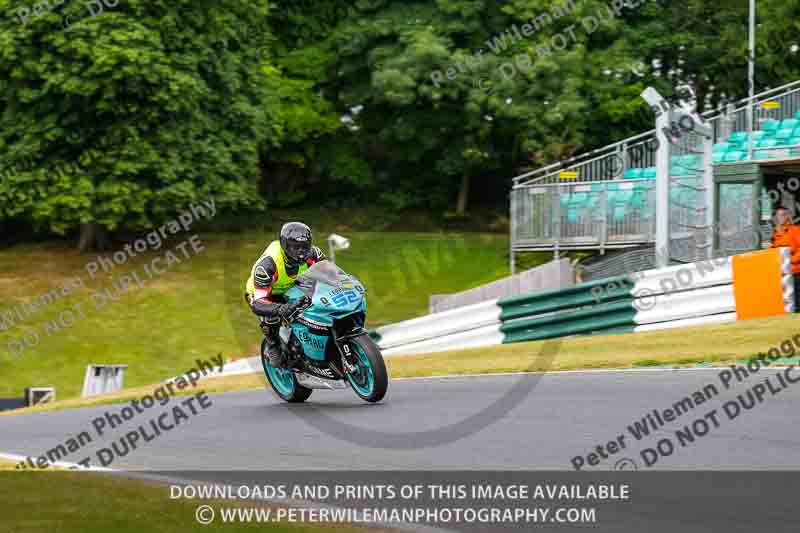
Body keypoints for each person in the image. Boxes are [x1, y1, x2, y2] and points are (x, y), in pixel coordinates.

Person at [245, 222, 326, 367]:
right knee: (272, 317)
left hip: (293, 286)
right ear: (284, 245)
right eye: (295, 247)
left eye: (304, 247)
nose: (300, 252)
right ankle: (273, 345)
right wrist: (279, 309)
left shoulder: (314, 254)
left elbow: (329, 274)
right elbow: (258, 303)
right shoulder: (267, 265)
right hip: (264, 294)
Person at [769, 206, 800, 311]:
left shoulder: (795, 230)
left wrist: (790, 262)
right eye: (779, 215)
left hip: (795, 272)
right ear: (776, 217)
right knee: (786, 304)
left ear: (788, 216)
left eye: (784, 215)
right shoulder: (775, 235)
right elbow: (772, 253)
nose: (782, 217)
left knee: (797, 303)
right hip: (781, 275)